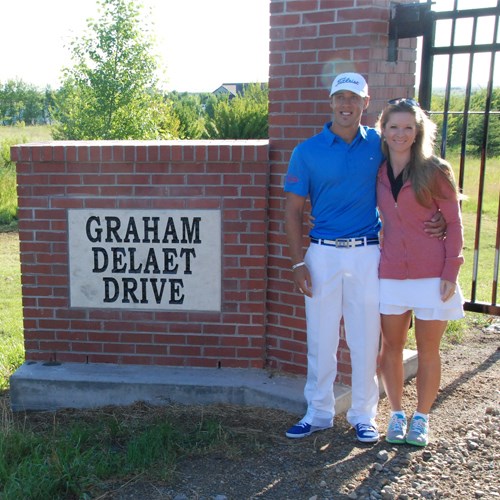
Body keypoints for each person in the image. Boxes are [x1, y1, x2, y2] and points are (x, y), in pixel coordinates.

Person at [283, 73, 445, 443]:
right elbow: (291, 210)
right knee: (321, 338)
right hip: (321, 254)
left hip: (368, 253)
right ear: (330, 102)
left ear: (365, 103)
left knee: (365, 337)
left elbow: (420, 170)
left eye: (354, 99)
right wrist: (297, 262)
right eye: (340, 97)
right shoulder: (306, 151)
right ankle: (318, 412)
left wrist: (437, 216)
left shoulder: (380, 143)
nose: (346, 105)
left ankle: (363, 415)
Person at [376, 98, 465, 447]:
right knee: (391, 346)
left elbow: (455, 224)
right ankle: (397, 415)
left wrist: (451, 270)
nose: (400, 134)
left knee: (429, 350)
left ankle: (422, 418)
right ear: (383, 130)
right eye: (394, 127)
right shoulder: (379, 171)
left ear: (417, 132)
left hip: (432, 274)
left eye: (407, 128)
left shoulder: (435, 170)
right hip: (391, 273)